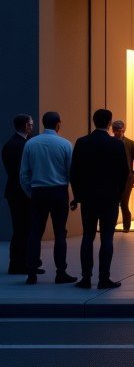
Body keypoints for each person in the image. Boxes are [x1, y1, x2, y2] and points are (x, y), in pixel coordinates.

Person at [69, 108, 129, 289]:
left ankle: (86, 278)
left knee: (88, 236)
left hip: (88, 197)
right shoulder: (117, 145)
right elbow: (123, 173)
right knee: (107, 238)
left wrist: (78, 195)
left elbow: (75, 172)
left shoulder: (82, 142)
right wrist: (118, 196)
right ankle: (104, 277)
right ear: (109, 123)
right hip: (109, 198)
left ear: (93, 121)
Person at [21, 110, 76, 285]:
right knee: (60, 232)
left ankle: (31, 273)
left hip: (38, 191)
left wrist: (31, 192)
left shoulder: (31, 144)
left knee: (35, 232)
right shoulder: (65, 144)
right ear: (58, 124)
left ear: (43, 123)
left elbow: (24, 174)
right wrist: (74, 194)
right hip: (59, 191)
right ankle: (61, 272)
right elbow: (71, 172)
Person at [2, 113, 33, 276]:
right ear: (26, 126)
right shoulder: (21, 144)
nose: (32, 126)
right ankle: (20, 264)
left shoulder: (12, 143)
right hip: (21, 192)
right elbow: (22, 172)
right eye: (30, 123)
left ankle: (19, 263)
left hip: (14, 191)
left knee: (20, 228)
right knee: (23, 228)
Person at [111, 120, 134, 232]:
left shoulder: (130, 143)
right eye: (115, 130)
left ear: (123, 130)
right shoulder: (110, 142)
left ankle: (126, 226)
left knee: (124, 203)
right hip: (112, 179)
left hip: (126, 179)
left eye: (119, 130)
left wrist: (132, 174)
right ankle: (111, 225)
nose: (117, 133)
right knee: (113, 203)